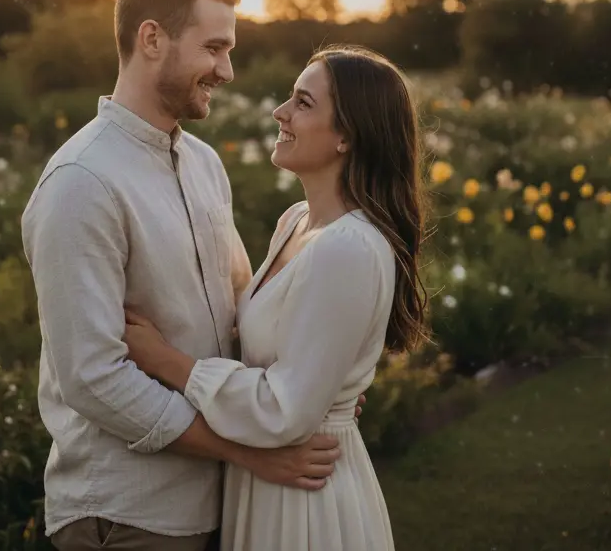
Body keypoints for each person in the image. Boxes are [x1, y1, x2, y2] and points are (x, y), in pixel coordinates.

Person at [21, 0, 362, 551]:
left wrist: (312, 387)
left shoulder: (204, 164)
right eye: (214, 48)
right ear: (151, 38)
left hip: (220, 500)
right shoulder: (82, 183)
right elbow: (93, 379)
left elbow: (236, 315)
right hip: (129, 515)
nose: (226, 70)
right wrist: (247, 450)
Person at [122, 45, 431, 551]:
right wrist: (322, 387)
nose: (280, 113)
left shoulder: (348, 248)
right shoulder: (296, 223)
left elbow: (285, 411)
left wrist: (166, 361)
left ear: (347, 137)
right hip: (270, 479)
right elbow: (293, 367)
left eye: (303, 104)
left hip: (305, 497)